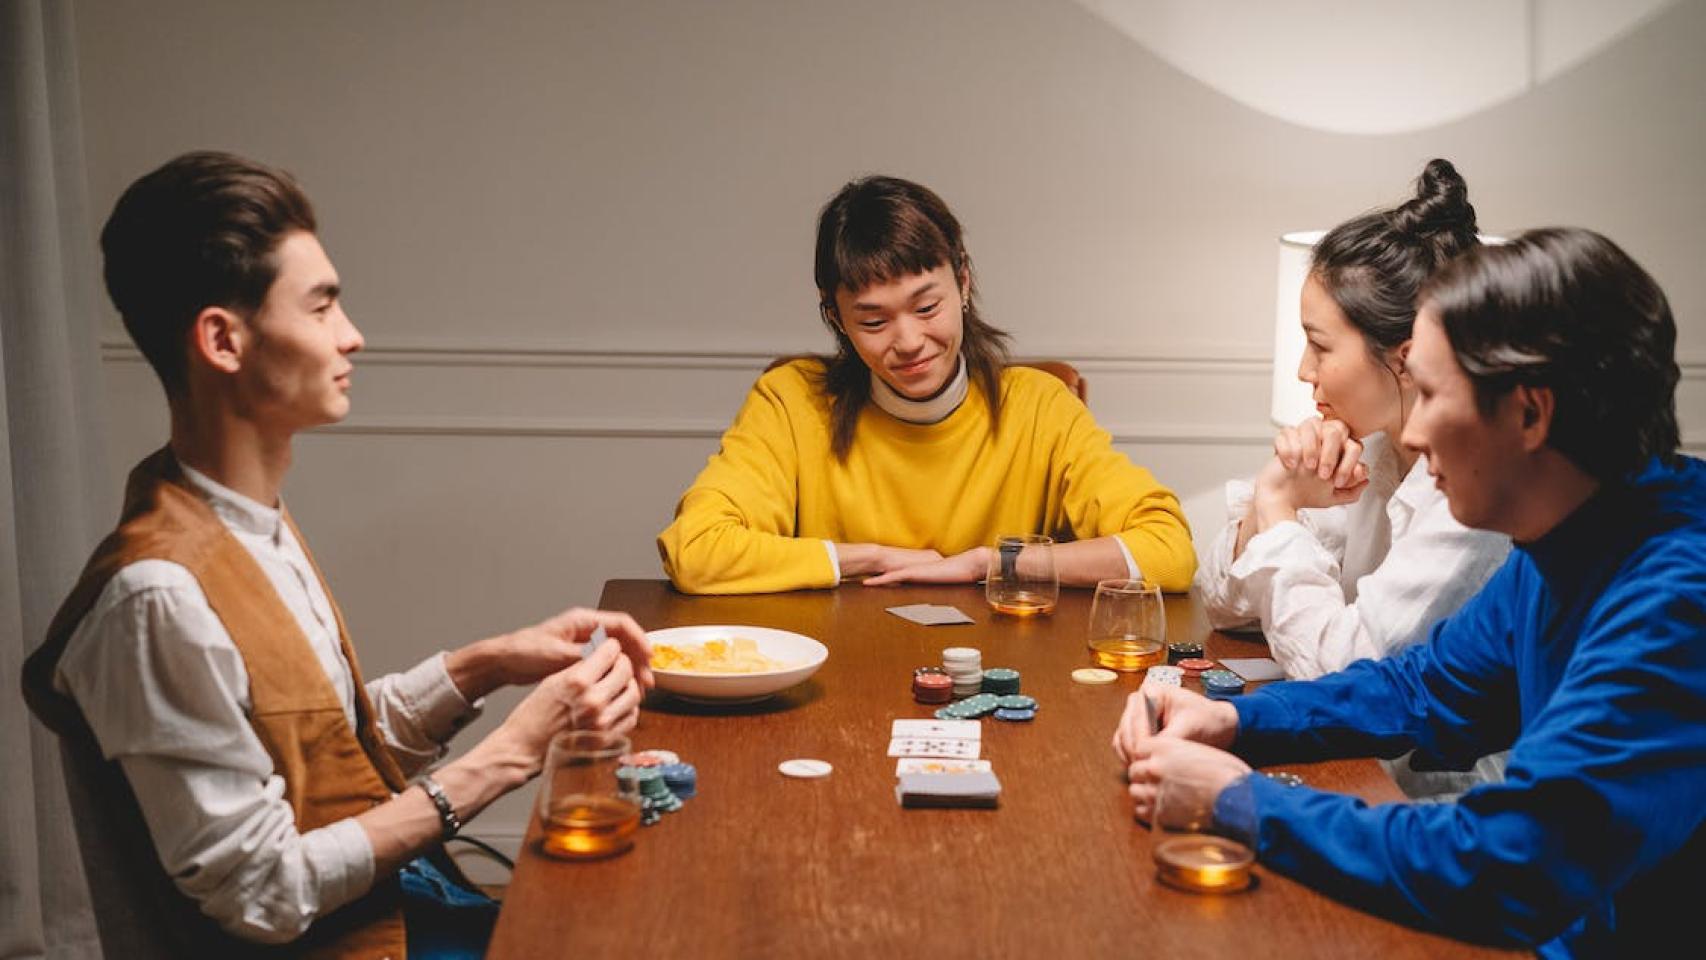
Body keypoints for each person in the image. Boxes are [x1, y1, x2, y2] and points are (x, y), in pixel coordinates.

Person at [22, 151, 654, 959]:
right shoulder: (158, 600)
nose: (352, 336)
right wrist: (515, 753)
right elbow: (261, 892)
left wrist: (484, 666)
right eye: (321, 307)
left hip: (396, 909)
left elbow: (322, 755)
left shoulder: (245, 525)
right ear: (223, 339)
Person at [1113, 227, 1704, 956]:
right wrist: (1232, 722)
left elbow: (1511, 864)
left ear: (1529, 413)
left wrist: (1237, 800)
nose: (1413, 435)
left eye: (1428, 394)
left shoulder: (1676, 599)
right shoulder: (1562, 541)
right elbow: (1417, 690)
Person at [657, 175, 1195, 595]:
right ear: (836, 318)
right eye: (873, 322)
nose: (909, 341)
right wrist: (871, 558)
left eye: (927, 306)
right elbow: (696, 548)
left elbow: (1167, 550)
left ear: (963, 281)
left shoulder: (1040, 407)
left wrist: (993, 563)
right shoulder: (791, 401)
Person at [1195, 159, 1511, 795]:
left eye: (1320, 345)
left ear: (1403, 357)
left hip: (1440, 801)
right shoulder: (1369, 452)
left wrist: (1279, 509)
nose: (1304, 370)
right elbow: (1223, 603)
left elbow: (1340, 671)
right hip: (1351, 770)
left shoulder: (1471, 506)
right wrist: (1274, 492)